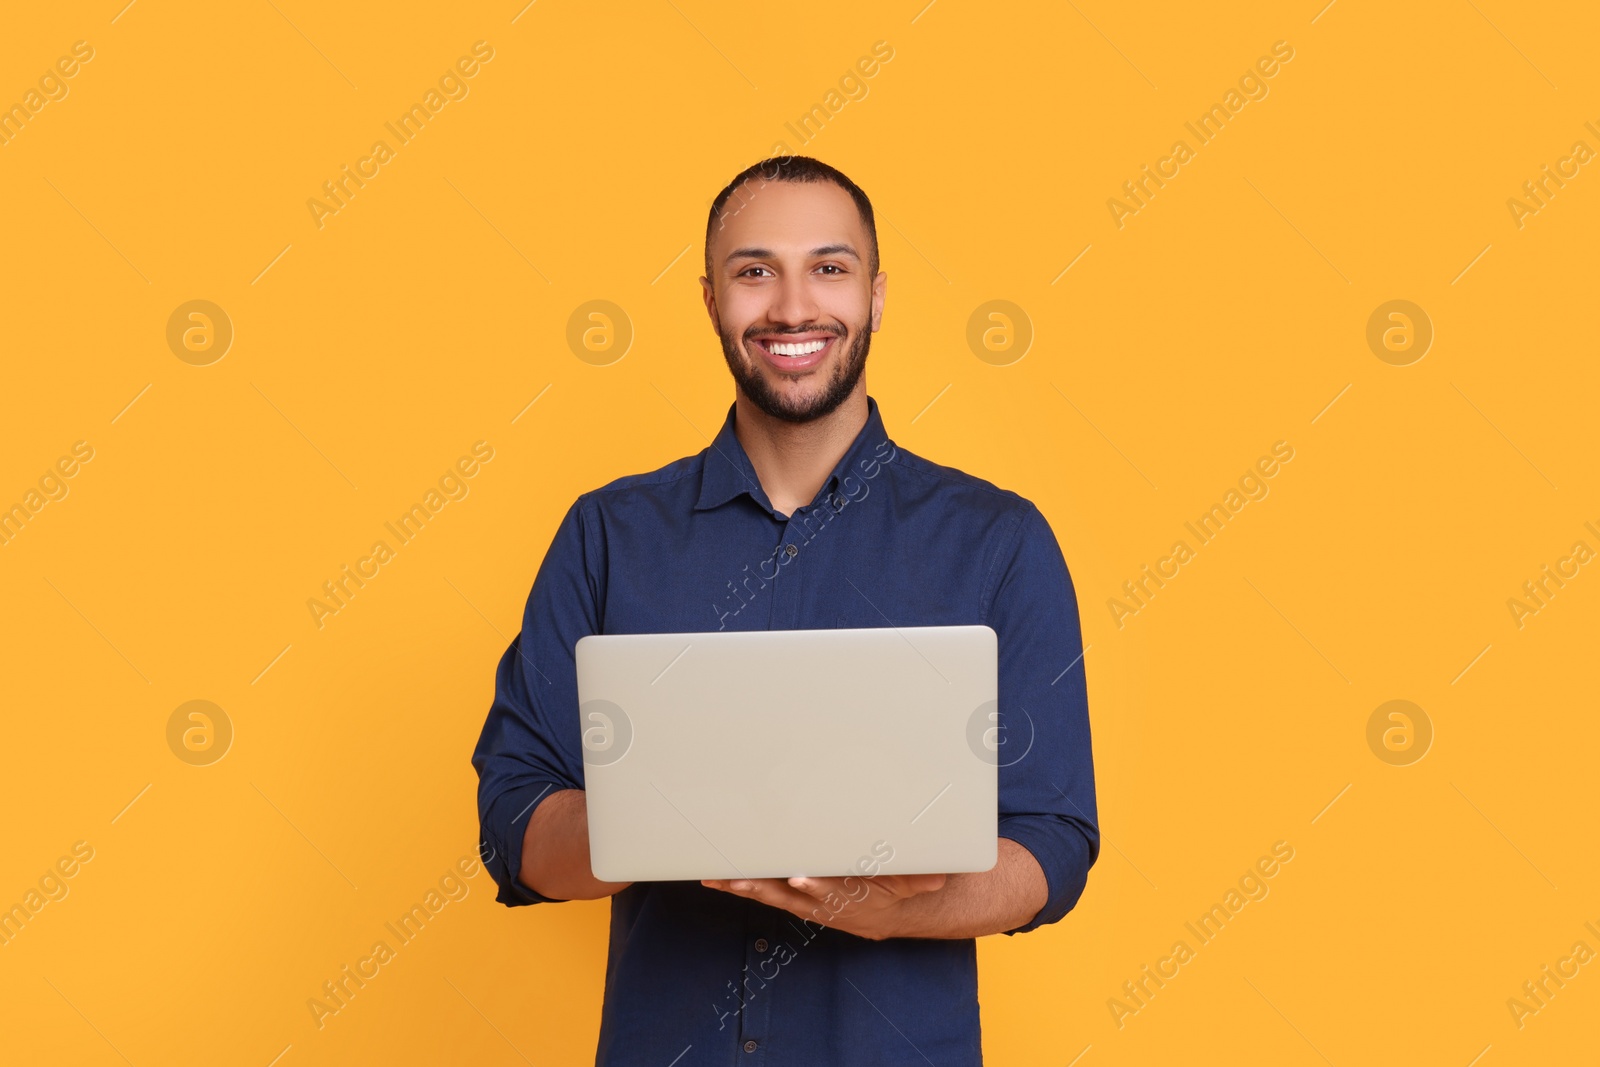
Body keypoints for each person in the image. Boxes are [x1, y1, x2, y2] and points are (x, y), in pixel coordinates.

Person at [471, 155, 1098, 1065]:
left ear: (877, 296)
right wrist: (654, 817)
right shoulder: (607, 535)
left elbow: (1054, 841)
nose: (793, 307)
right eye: (755, 270)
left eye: (830, 268)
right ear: (710, 298)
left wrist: (898, 911)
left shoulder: (998, 541)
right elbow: (513, 817)